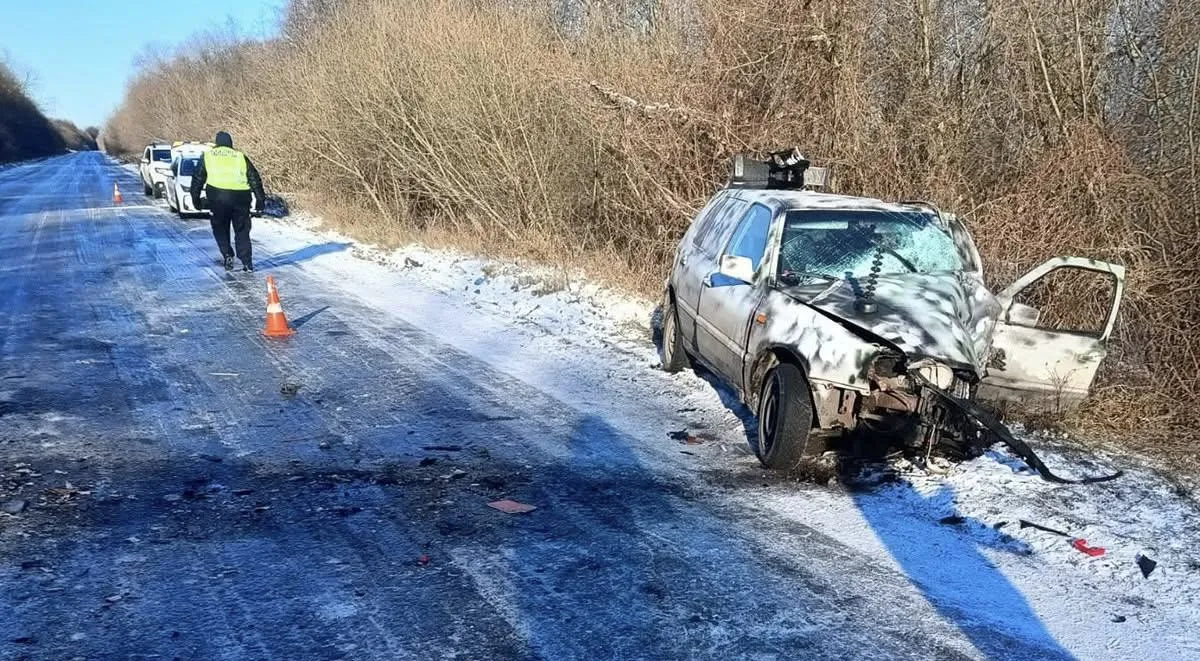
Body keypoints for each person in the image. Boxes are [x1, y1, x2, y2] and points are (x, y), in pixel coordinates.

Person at [191, 131, 266, 272]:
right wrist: (260, 199)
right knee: (242, 229)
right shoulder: (240, 156)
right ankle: (246, 261)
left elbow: (197, 178)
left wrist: (195, 199)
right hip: (241, 198)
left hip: (218, 197)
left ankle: (227, 254)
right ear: (231, 143)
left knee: (220, 227)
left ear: (217, 143)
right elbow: (254, 178)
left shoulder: (208, 156)